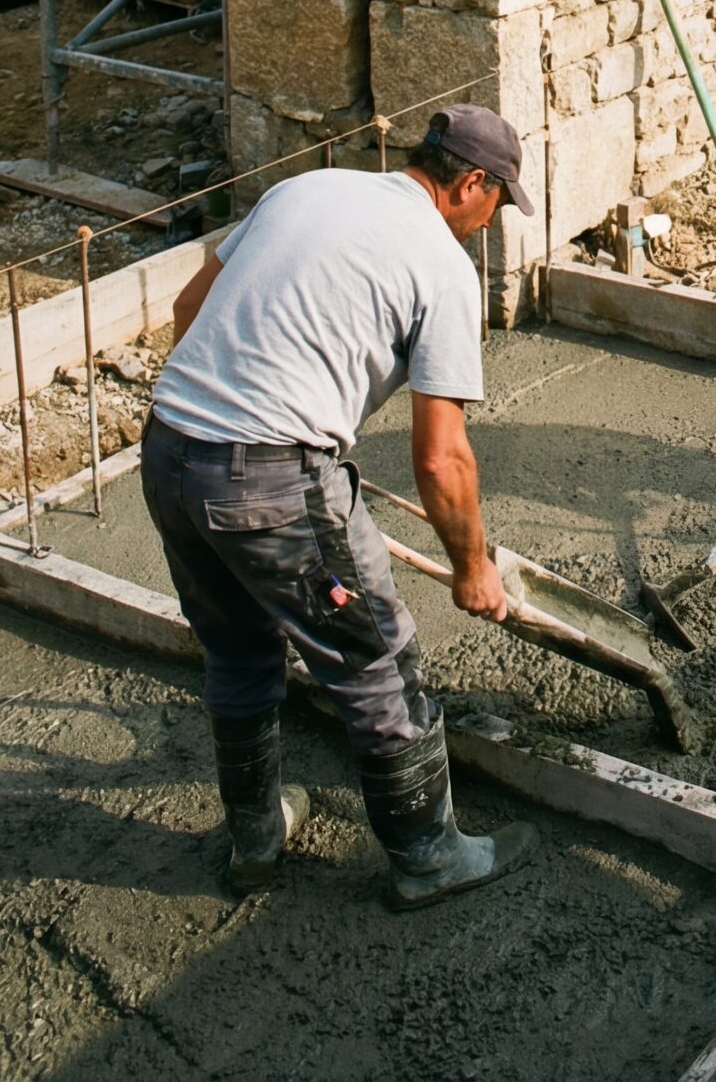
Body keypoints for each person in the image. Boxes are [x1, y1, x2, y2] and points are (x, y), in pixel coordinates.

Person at [141, 104, 538, 909]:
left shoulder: (306, 188)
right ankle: (429, 856)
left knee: (239, 648)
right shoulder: (439, 264)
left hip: (169, 449)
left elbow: (188, 315)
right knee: (376, 658)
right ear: (470, 184)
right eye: (498, 202)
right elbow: (441, 455)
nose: (491, 220)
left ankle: (255, 837)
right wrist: (473, 570)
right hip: (271, 477)